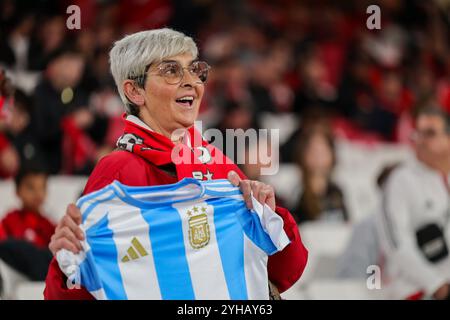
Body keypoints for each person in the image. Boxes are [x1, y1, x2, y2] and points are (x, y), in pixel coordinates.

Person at [44, 28, 308, 299]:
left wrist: (271, 217)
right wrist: (69, 263)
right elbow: (83, 290)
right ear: (135, 91)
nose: (191, 82)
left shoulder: (215, 161)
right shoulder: (117, 171)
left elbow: (280, 272)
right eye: (171, 71)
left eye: (194, 70)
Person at [378, 107, 450, 300]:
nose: (421, 140)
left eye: (430, 134)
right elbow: (396, 245)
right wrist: (436, 284)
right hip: (413, 286)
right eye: (418, 132)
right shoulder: (401, 180)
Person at [0, 165, 54, 288]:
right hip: (17, 278)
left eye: (42, 188)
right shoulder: (11, 220)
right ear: (18, 190)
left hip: (42, 281)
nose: (37, 193)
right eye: (31, 188)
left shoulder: (49, 226)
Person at [292, 126, 348, 224]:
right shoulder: (297, 194)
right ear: (303, 154)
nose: (318, 156)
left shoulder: (337, 192)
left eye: (323, 151)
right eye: (313, 151)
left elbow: (346, 225)